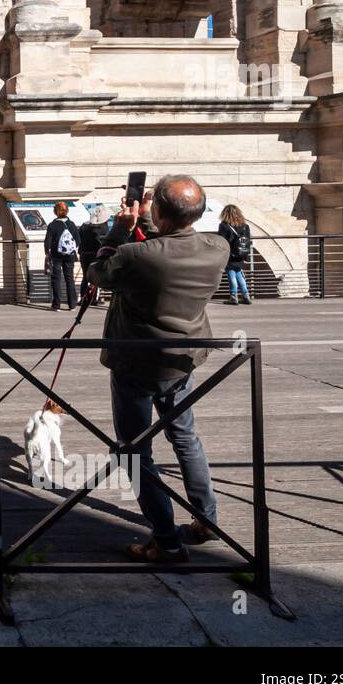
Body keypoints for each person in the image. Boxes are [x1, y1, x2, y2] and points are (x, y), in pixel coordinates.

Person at [85, 175, 230, 563]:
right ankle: (206, 521)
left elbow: (97, 274)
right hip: (182, 362)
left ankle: (165, 540)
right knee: (186, 440)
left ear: (161, 211)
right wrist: (152, 219)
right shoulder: (218, 247)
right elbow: (171, 246)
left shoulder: (136, 256)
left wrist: (118, 231)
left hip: (135, 362)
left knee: (136, 452)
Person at [43, 201, 81, 311]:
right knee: (69, 279)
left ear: (55, 212)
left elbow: (47, 242)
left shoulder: (52, 225)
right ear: (67, 211)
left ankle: (56, 305)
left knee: (56, 279)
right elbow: (78, 241)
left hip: (56, 255)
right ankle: (72, 305)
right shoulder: (72, 224)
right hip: (69, 256)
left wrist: (47, 253)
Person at [217, 204, 253, 305]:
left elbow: (221, 241)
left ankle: (234, 296)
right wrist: (245, 255)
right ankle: (246, 295)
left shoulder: (224, 226)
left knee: (231, 273)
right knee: (238, 272)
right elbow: (248, 241)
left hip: (230, 254)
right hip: (241, 253)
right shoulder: (245, 226)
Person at [77, 203, 112, 302]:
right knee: (95, 276)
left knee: (85, 277)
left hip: (84, 253)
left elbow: (80, 238)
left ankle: (84, 297)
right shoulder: (103, 227)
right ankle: (93, 299)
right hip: (95, 253)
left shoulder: (84, 226)